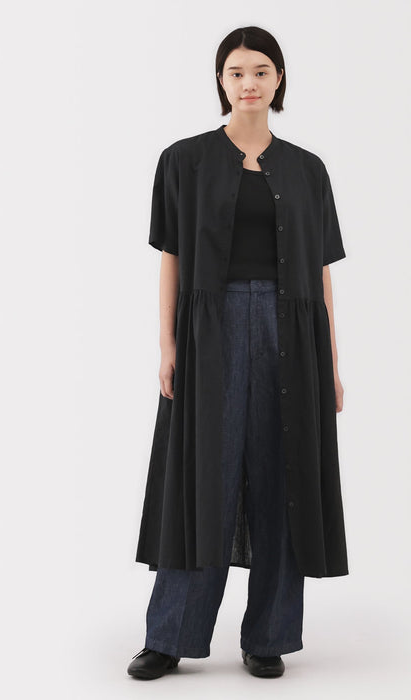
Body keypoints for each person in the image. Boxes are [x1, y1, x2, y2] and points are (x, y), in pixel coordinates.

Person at [128, 25, 349, 681]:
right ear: (220, 81)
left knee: (285, 479)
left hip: (292, 333)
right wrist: (167, 342)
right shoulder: (184, 160)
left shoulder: (308, 169)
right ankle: (169, 636)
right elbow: (171, 256)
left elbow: (321, 271)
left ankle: (270, 636)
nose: (248, 83)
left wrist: (332, 363)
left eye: (261, 71)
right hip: (211, 330)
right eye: (236, 71)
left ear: (279, 79)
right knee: (202, 477)